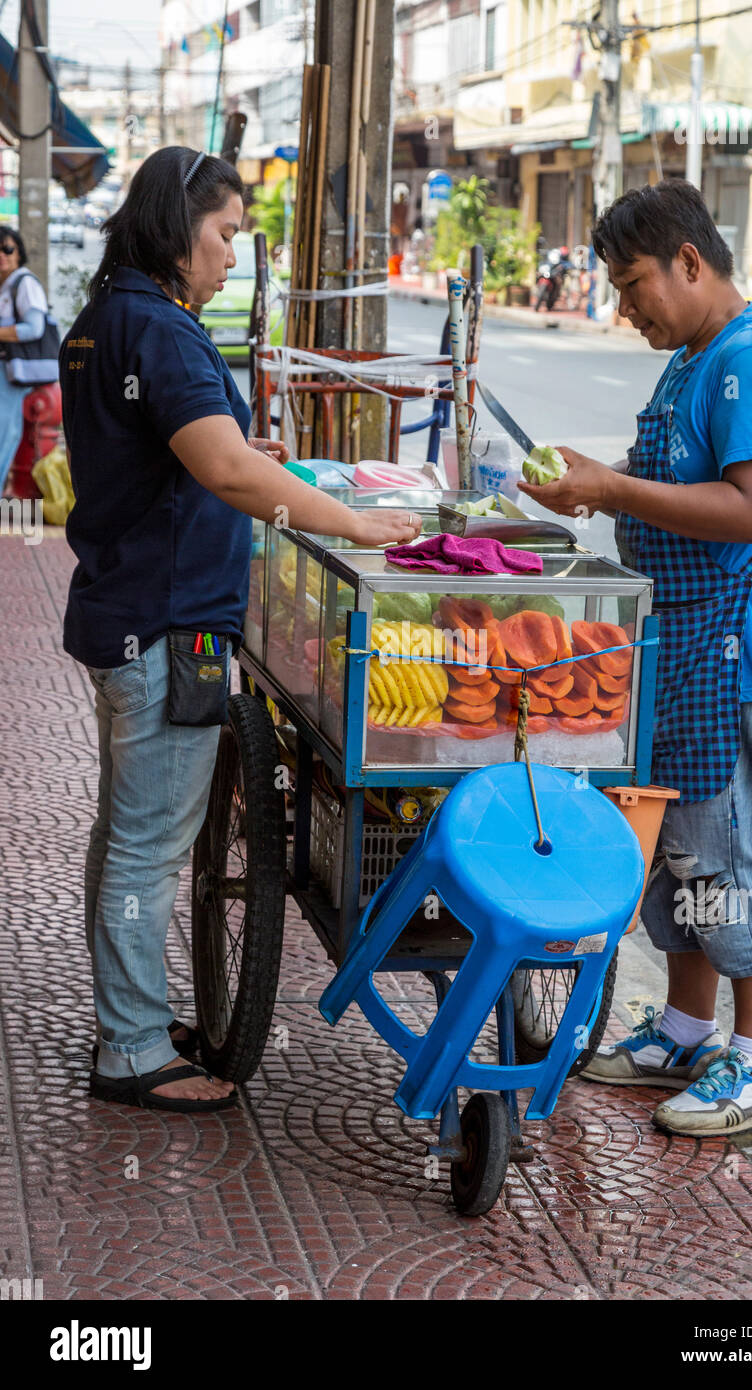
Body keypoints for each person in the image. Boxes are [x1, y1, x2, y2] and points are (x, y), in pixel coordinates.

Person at [61, 146, 421, 1113]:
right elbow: (222, 473)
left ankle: (126, 1020)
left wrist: (233, 453)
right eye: (223, 235)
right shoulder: (166, 333)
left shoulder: (106, 320)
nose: (230, 257)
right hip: (170, 623)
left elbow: (179, 456)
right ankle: (131, 1049)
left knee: (124, 834)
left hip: (124, 613)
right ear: (176, 228)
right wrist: (347, 517)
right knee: (144, 845)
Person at [519, 180, 752, 1138]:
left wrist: (614, 487)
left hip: (736, 662)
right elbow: (671, 480)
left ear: (691, 261)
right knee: (681, 861)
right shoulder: (693, 359)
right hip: (682, 652)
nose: (624, 304)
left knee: (734, 861)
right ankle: (688, 1031)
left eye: (632, 280)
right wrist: (594, 488)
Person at [0, 226, 49, 492]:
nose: (2, 255)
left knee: (3, 436)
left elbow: (34, 328)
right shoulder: (5, 285)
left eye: (8, 249)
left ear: (19, 253)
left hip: (11, 375)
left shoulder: (24, 283)